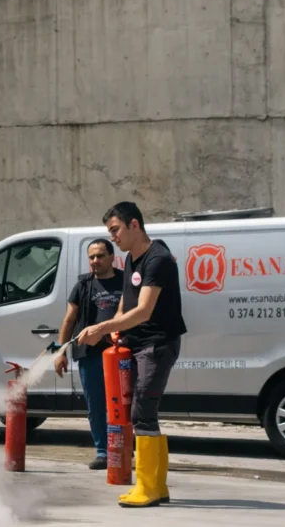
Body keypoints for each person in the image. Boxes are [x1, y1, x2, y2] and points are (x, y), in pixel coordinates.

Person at [76, 201, 187, 508]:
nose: (113, 237)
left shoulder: (158, 259)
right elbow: (127, 303)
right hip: (139, 344)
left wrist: (101, 328)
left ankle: (148, 487)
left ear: (134, 225)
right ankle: (158, 487)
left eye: (115, 230)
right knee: (143, 413)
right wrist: (116, 330)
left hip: (157, 345)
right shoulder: (131, 259)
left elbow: (144, 310)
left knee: (142, 413)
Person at [54, 239, 123, 470]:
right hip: (90, 355)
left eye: (101, 256)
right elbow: (69, 319)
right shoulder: (83, 286)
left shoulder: (126, 281)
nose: (95, 261)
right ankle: (103, 452)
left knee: (124, 403)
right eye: (92, 257)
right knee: (96, 405)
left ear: (112, 257)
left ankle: (125, 449)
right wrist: (60, 351)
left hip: (122, 354)